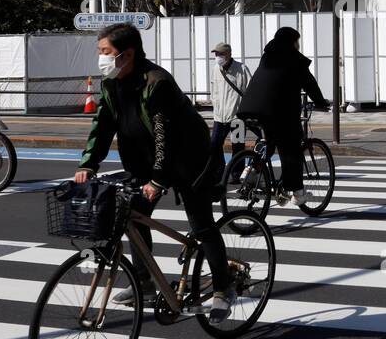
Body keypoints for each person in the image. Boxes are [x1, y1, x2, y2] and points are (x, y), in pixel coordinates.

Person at [73, 23, 233, 322]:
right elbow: (103, 126)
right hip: (144, 161)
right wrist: (88, 163)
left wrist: (158, 180)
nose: (101, 58)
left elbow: (165, 136)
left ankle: (224, 287)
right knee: (132, 214)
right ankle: (144, 282)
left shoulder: (157, 83)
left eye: (105, 52)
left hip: (190, 160)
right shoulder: (110, 83)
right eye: (100, 52)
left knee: (200, 223)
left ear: (127, 54)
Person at [237, 26, 329, 208]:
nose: (298, 45)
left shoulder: (267, 56)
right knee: (292, 147)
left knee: (269, 138)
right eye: (297, 41)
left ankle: (253, 168)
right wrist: (321, 102)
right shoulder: (293, 58)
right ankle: (297, 192)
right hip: (276, 112)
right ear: (292, 41)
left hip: (248, 109)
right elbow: (309, 83)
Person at [209, 42, 251, 180]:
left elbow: (249, 91)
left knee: (238, 146)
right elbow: (214, 89)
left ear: (228, 54)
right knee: (214, 144)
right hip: (219, 117)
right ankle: (219, 170)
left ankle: (236, 174)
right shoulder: (216, 68)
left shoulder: (242, 69)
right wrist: (215, 104)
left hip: (237, 117)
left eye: (220, 54)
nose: (217, 56)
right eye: (216, 54)